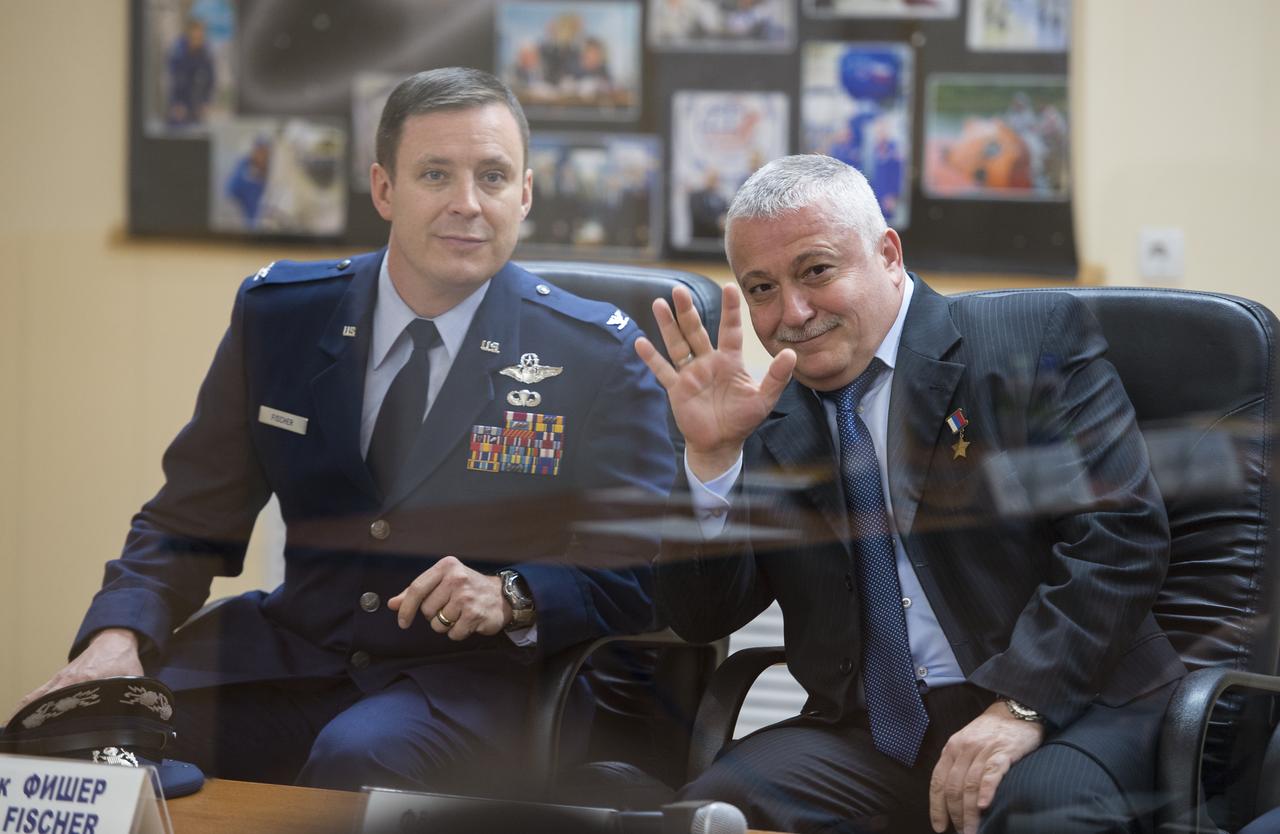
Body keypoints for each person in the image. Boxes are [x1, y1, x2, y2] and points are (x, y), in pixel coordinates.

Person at [15, 67, 675, 793]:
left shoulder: (598, 353)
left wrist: (513, 594)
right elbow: (188, 518)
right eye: (435, 174)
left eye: (493, 176)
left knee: (358, 760)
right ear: (384, 189)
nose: (468, 204)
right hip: (295, 651)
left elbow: (634, 573)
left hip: (473, 683)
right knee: (71, 736)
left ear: (524, 194)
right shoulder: (284, 316)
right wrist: (118, 639)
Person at [635, 154, 1185, 834]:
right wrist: (712, 460)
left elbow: (1121, 540)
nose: (792, 313)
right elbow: (702, 615)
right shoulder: (765, 418)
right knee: (708, 816)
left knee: (1041, 815)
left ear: (888, 254)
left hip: (1071, 701)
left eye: (815, 271)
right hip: (872, 736)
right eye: (761, 289)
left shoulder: (1027, 343)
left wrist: (1020, 706)